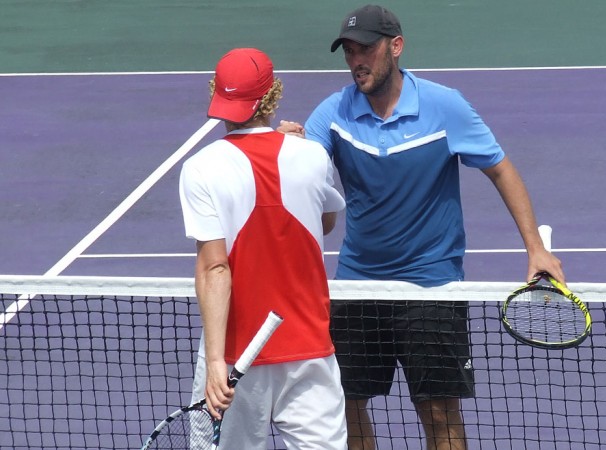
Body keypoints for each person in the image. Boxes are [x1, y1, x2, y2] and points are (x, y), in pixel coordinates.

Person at [278, 4, 566, 450]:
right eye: (349, 51)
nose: (357, 60)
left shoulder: (443, 106)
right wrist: (291, 152)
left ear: (395, 47)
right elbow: (312, 199)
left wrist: (536, 250)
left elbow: (501, 169)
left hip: (431, 285)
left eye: (366, 50)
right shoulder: (332, 113)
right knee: (343, 404)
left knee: (437, 411)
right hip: (359, 283)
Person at [179, 47, 348, 449]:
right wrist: (301, 152)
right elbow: (324, 222)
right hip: (309, 351)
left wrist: (217, 362)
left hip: (238, 357)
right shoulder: (312, 156)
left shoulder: (201, 168)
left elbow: (214, 269)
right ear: (272, 95)